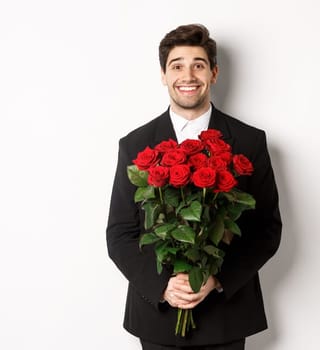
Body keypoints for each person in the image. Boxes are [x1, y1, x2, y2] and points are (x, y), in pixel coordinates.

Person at [106, 24, 282, 350]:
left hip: (226, 316)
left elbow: (266, 229)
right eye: (177, 66)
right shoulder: (135, 145)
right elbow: (119, 233)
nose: (188, 75)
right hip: (157, 316)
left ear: (214, 73)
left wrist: (215, 279)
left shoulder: (249, 141)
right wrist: (163, 286)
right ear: (163, 74)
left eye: (198, 65)